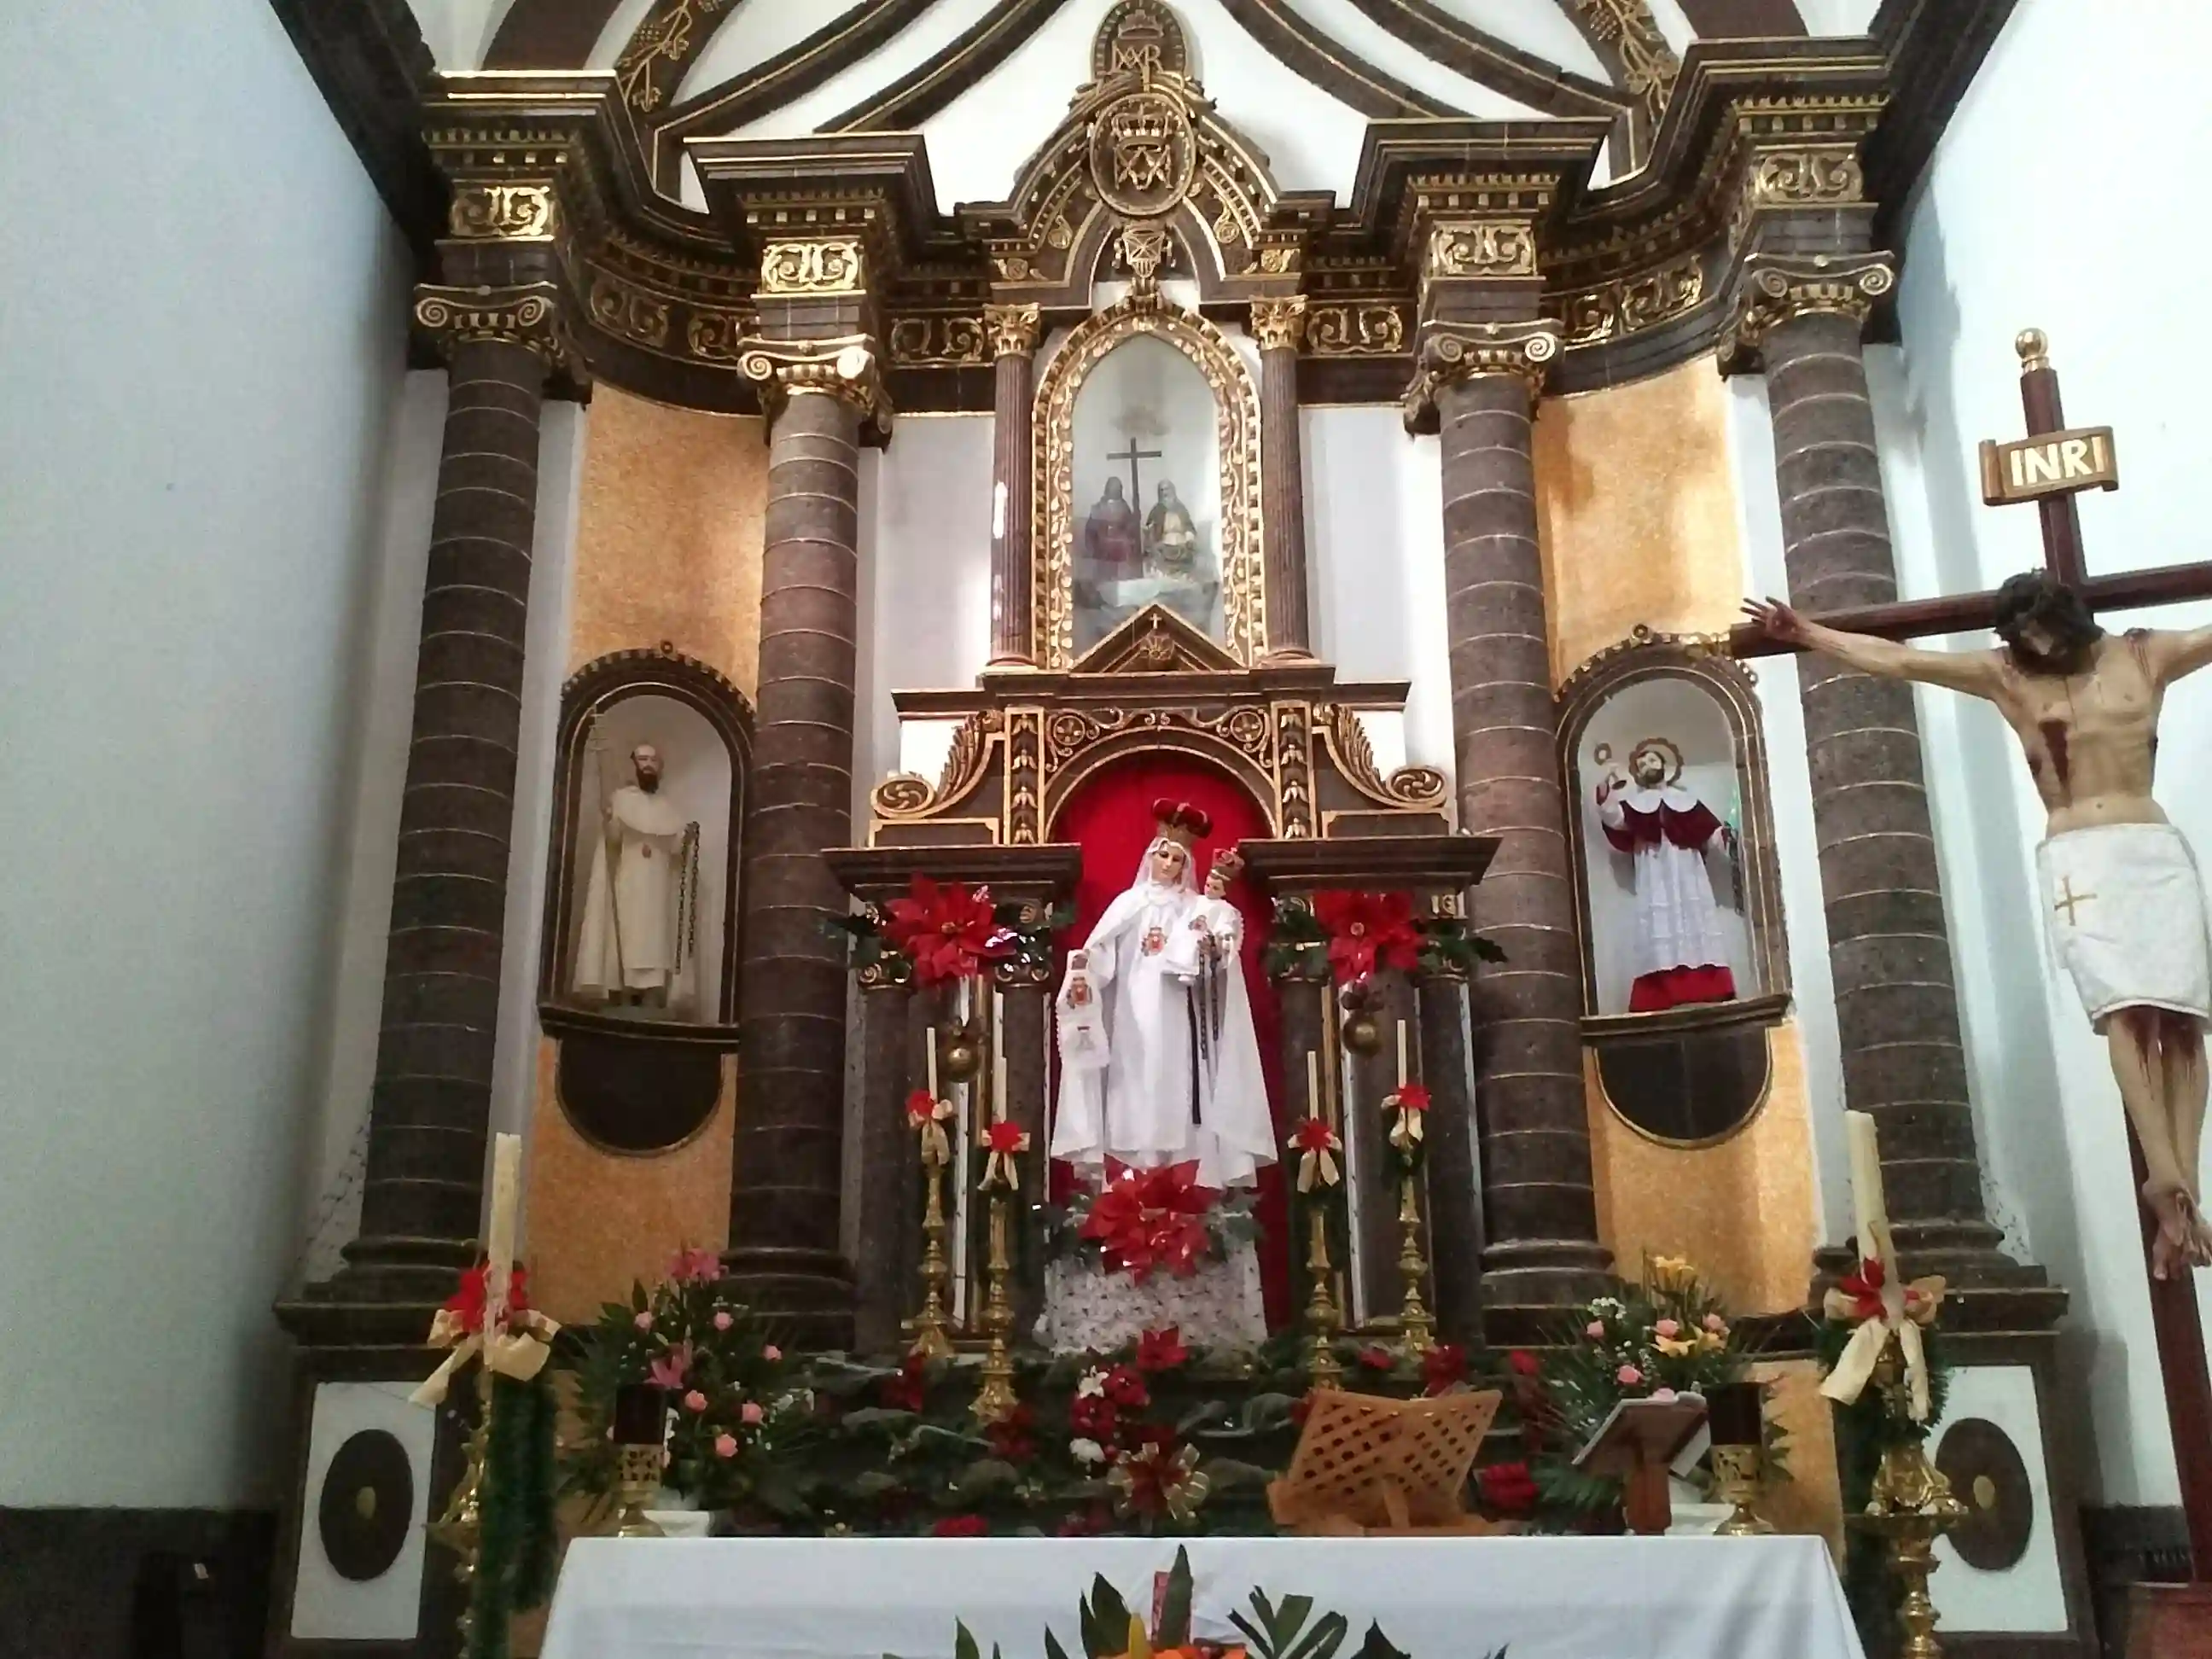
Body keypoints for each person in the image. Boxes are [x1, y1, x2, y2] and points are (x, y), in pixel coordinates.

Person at [1744, 574, 2212, 1274]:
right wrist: (1806, 632)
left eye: (2045, 632)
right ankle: (2161, 1173)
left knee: (2183, 1021)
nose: (2036, 646)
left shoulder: (2144, 656)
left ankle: (2185, 1185)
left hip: (2153, 847)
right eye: (2021, 636)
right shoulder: (2006, 675)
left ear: (2071, 618)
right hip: (2081, 853)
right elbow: (1900, 660)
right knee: (2124, 1012)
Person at [1051, 800, 1276, 1190]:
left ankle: (1179, 1175)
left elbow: (1216, 954)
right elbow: (1101, 953)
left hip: (1177, 1014)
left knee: (1175, 1081)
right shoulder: (1127, 903)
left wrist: (1211, 937)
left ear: (1185, 865)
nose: (1168, 864)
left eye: (1176, 858)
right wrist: (1085, 972)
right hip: (1131, 1015)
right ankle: (1133, 1178)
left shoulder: (1196, 907)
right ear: (1150, 857)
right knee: (1132, 1081)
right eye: (1163, 855)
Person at [1596, 737, 1738, 1011]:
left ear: (1664, 764)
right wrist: (1606, 785)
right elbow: (1614, 817)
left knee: (1693, 919)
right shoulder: (1636, 803)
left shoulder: (1685, 800)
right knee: (1659, 924)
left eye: (1652, 759)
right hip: (1654, 871)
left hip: (1687, 870)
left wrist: (1726, 835)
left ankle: (1708, 987)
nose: (1647, 765)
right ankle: (1660, 993)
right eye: (1641, 763)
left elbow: (1710, 835)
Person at [573, 740, 700, 1013]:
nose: (649, 766)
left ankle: (653, 992)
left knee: (655, 936)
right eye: (643, 760)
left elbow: (677, 849)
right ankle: (623, 988)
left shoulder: (668, 808)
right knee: (628, 932)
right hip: (629, 879)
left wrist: (687, 838)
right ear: (635, 764)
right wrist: (609, 819)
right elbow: (613, 840)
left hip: (658, 883)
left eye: (653, 761)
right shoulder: (622, 799)